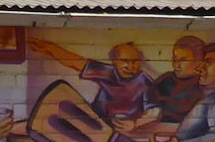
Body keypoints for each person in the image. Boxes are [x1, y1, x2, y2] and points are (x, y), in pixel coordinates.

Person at [27, 36, 159, 128]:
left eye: (135, 61)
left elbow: (154, 110)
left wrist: (135, 124)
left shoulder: (144, 81)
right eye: (125, 61)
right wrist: (49, 48)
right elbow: (76, 62)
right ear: (114, 62)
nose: (130, 67)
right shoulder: (108, 72)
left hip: (121, 130)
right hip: (95, 121)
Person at [153, 35, 209, 125]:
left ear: (199, 61)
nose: (176, 65)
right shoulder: (164, 80)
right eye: (174, 58)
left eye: (183, 60)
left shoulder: (204, 85)